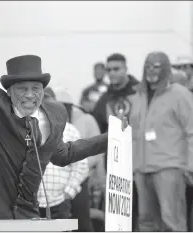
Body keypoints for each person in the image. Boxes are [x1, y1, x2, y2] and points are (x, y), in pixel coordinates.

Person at [0, 11, 126, 220]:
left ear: (43, 90)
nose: (30, 95)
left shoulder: (53, 116)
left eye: (36, 88)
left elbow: (64, 154)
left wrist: (112, 138)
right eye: (22, 88)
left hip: (26, 215)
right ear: (9, 92)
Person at [131, 51, 193, 231]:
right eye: (148, 66)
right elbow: (133, 133)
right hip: (141, 169)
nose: (151, 70)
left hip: (169, 167)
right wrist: (131, 166)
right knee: (146, 221)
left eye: (156, 66)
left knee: (172, 221)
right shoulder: (138, 96)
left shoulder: (180, 94)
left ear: (166, 68)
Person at [92, 53, 139, 231]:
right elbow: (97, 130)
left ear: (126, 69)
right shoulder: (105, 98)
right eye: (109, 69)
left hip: (139, 161)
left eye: (116, 69)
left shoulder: (140, 92)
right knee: (117, 215)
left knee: (141, 214)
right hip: (115, 165)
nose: (112, 73)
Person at [54, 88, 106, 232]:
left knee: (81, 218)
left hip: (84, 177)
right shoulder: (54, 124)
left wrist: (80, 164)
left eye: (65, 106)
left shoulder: (86, 119)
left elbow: (98, 149)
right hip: (62, 180)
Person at [37, 120, 89, 220]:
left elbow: (81, 164)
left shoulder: (70, 130)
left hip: (60, 202)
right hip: (30, 203)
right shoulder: (27, 127)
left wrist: (69, 190)